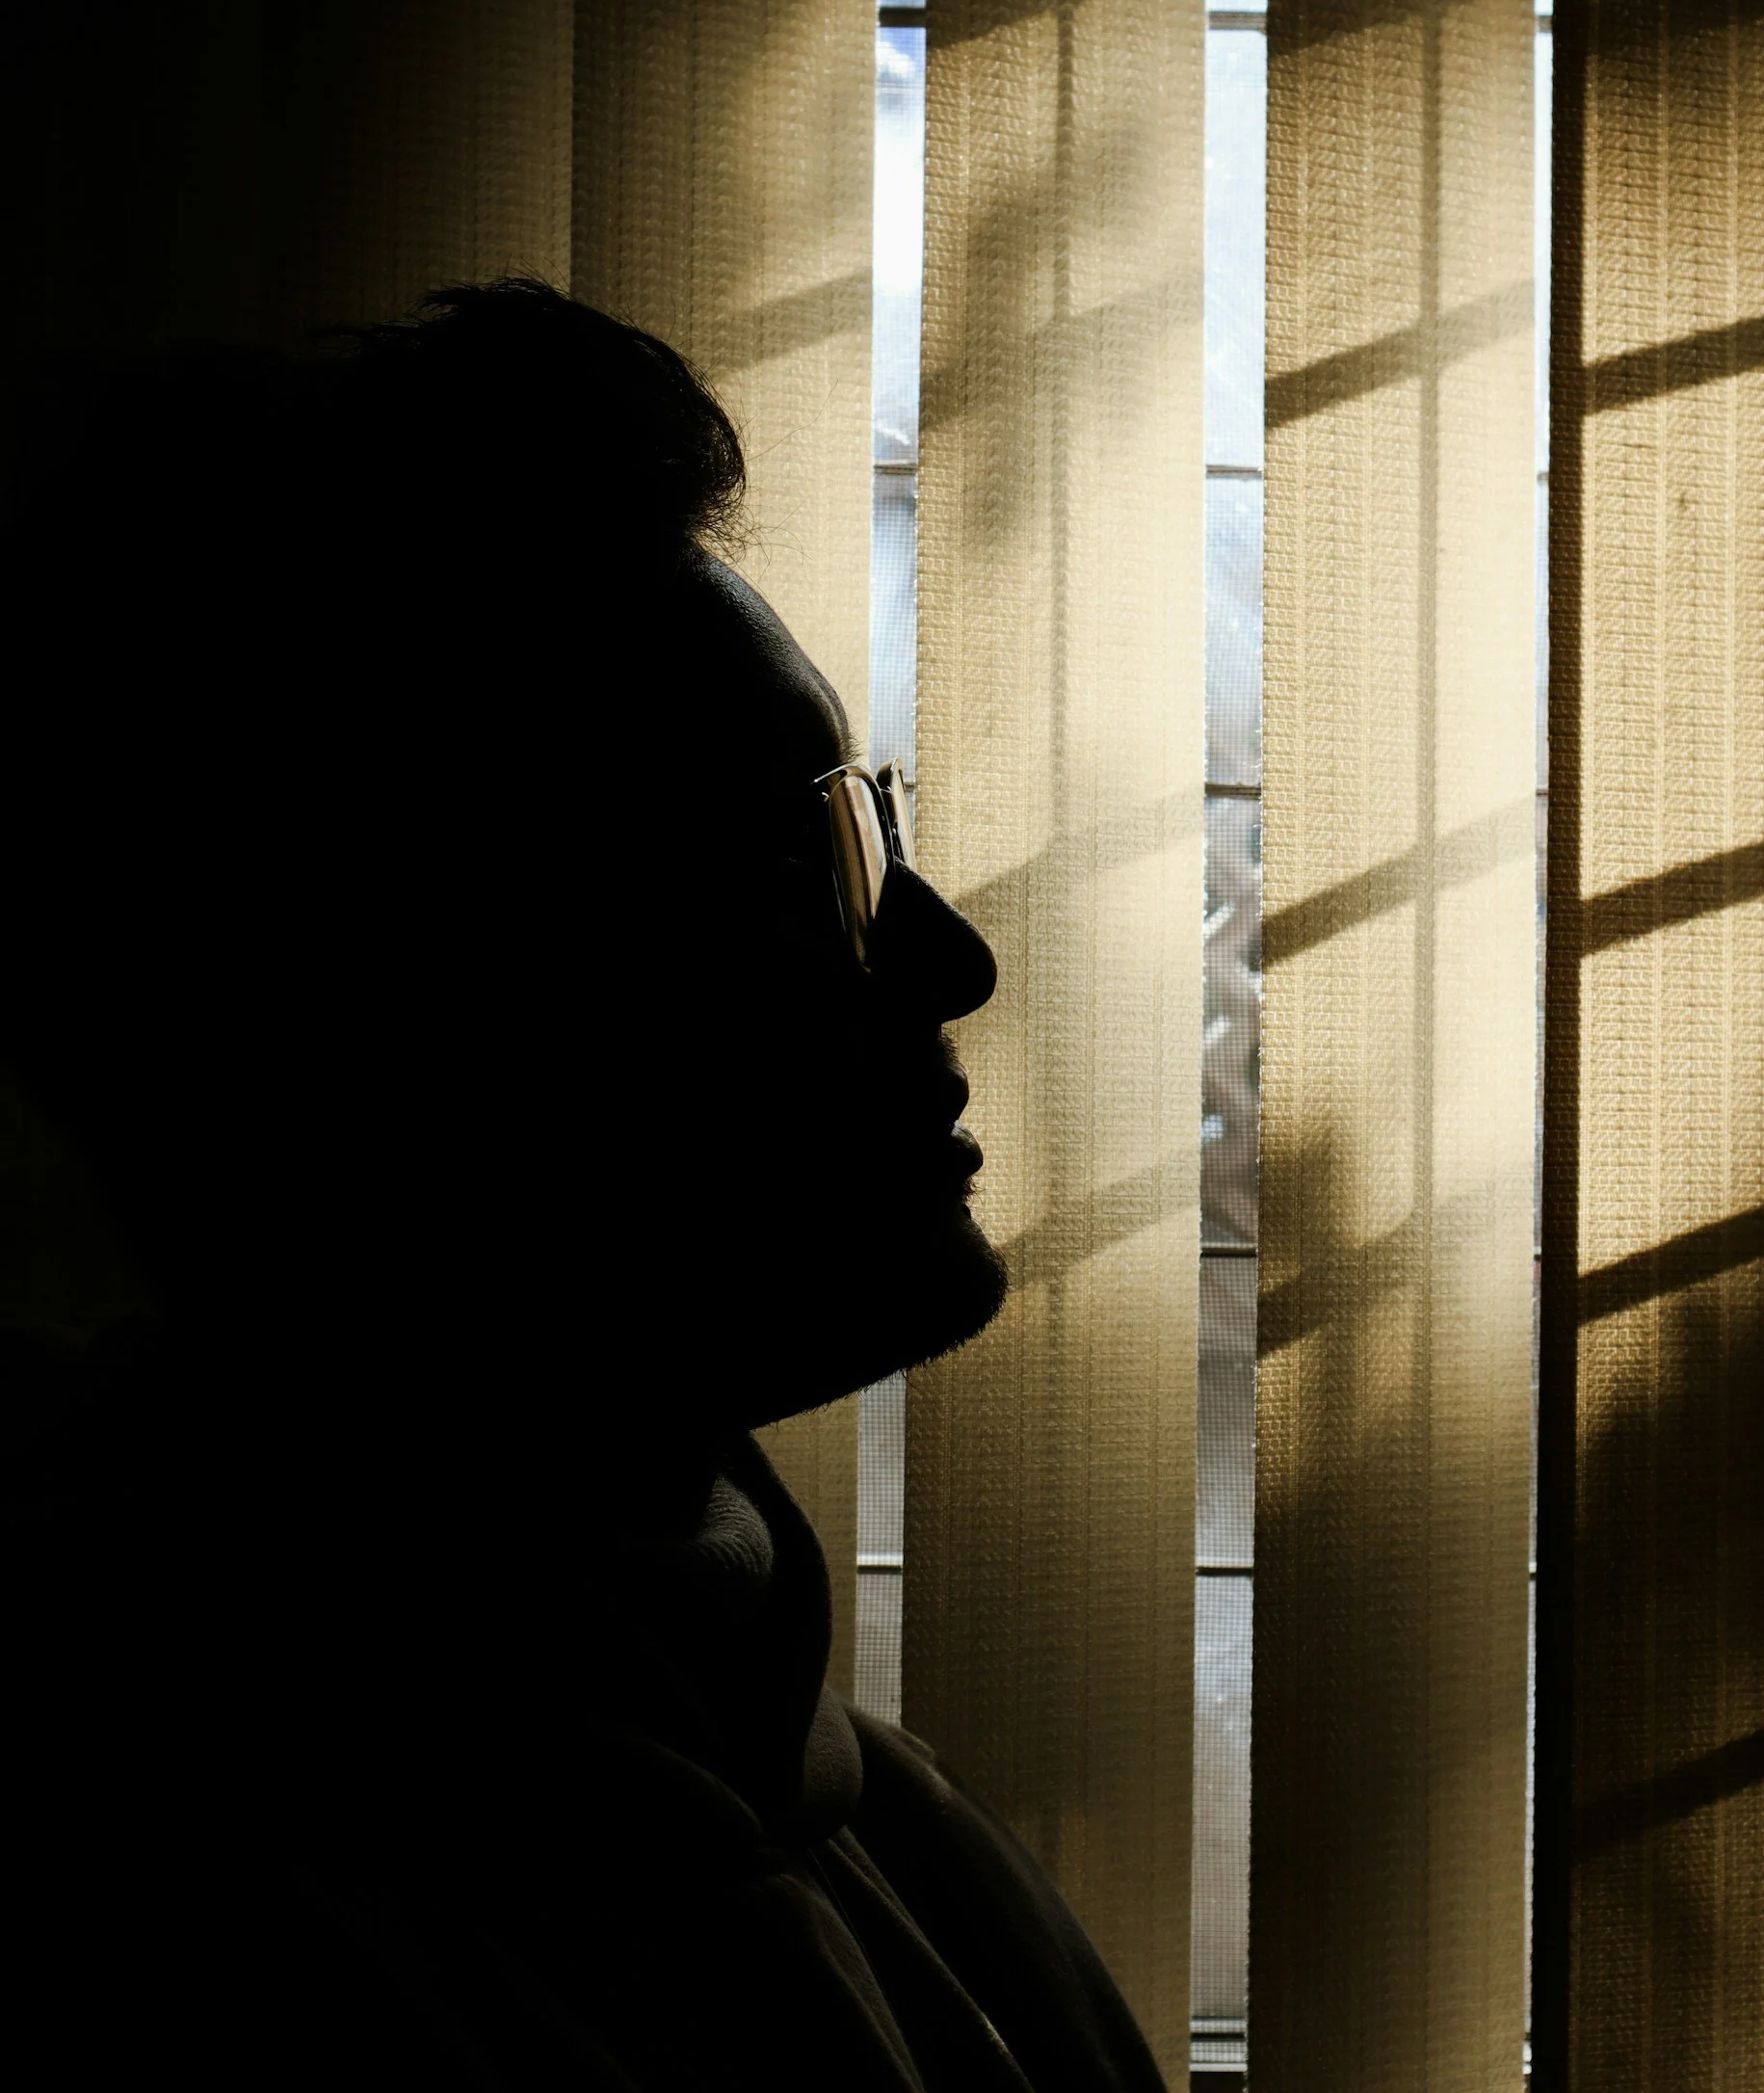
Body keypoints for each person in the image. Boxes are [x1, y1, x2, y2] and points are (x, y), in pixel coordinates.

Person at [0, 280, 1166, 2090]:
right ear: (384, 1009)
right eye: (780, 870)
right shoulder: (195, 1921)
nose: (947, 961)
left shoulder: (882, 1833)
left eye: (859, 828)